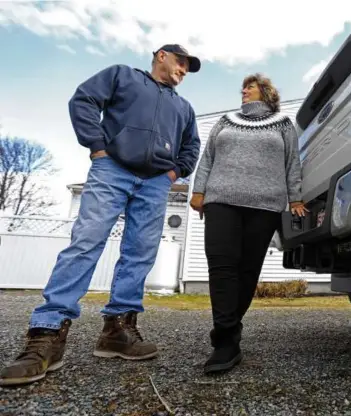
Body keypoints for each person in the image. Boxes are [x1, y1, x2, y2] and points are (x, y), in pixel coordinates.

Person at [0, 44, 202, 387]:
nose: (183, 70)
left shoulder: (183, 107)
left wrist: (174, 173)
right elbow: (83, 100)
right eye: (181, 62)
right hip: (112, 170)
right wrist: (98, 146)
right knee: (86, 242)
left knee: (140, 253)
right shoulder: (122, 75)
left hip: (155, 182)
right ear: (161, 55)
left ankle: (118, 331)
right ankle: (47, 334)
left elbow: (191, 146)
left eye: (188, 67)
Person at [189, 73, 307, 374]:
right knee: (221, 265)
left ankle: (227, 331)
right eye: (243, 87)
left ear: (266, 92)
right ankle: (226, 342)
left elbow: (293, 162)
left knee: (247, 269)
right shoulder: (226, 121)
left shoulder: (283, 124)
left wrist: (295, 199)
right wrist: (199, 191)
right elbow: (207, 158)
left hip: (265, 205)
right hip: (220, 201)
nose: (243, 90)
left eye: (250, 86)